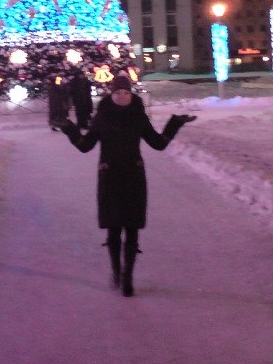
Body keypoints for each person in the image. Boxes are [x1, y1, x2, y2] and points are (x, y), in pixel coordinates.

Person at [59, 73, 196, 297]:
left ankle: (128, 277)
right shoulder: (102, 117)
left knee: (132, 229)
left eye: (126, 93)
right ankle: (116, 269)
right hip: (110, 176)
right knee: (114, 229)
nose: (122, 96)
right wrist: (69, 129)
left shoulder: (138, 117)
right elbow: (85, 146)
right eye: (118, 93)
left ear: (131, 94)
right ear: (111, 95)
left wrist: (175, 124)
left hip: (134, 176)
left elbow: (158, 144)